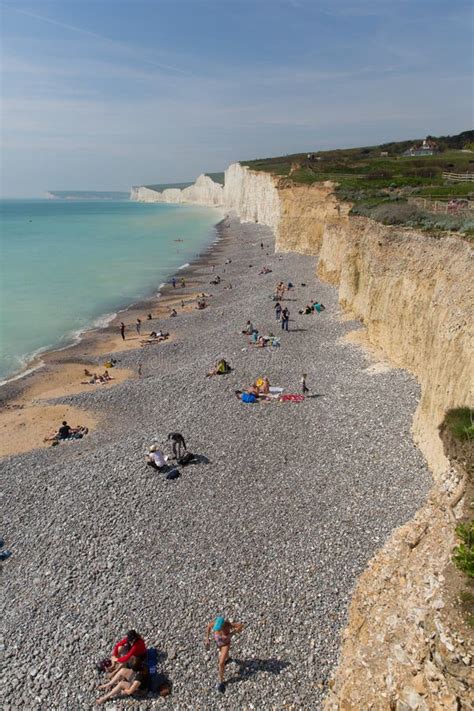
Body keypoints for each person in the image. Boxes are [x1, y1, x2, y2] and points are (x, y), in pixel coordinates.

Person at [204, 616, 244, 693]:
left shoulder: (228, 625)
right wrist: (207, 639)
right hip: (218, 643)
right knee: (225, 656)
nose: (217, 629)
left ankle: (221, 681)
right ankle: (228, 658)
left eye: (219, 628)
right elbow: (208, 626)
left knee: (221, 663)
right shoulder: (214, 624)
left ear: (223, 625)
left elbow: (241, 626)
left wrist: (232, 633)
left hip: (225, 644)